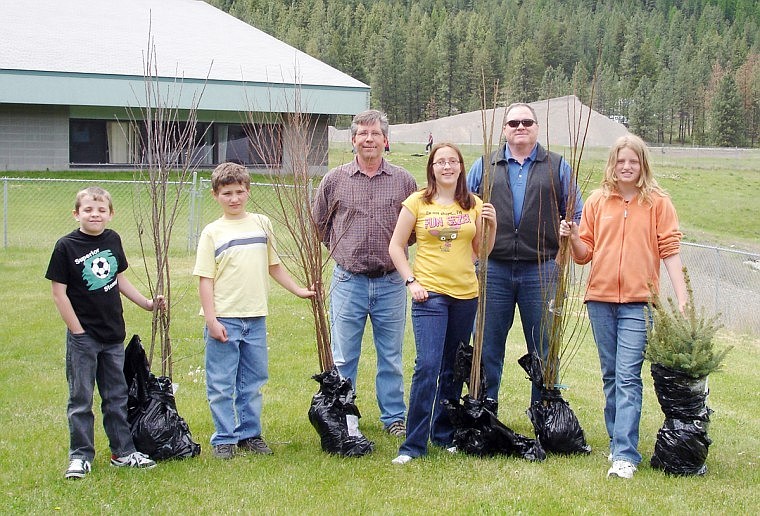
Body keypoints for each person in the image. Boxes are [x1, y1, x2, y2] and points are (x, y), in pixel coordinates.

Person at [559, 134, 687, 479]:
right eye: (621, 161)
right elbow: (584, 255)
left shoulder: (658, 202)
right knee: (611, 375)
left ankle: (625, 455)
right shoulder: (599, 201)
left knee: (629, 376)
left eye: (633, 161)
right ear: (612, 165)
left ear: (643, 165)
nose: (626, 167)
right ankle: (618, 443)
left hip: (639, 301)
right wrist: (572, 237)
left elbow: (671, 251)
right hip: (599, 300)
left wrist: (683, 297)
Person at [193, 162, 315, 460]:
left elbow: (273, 265)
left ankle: (250, 434)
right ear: (215, 195)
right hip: (225, 318)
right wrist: (211, 319)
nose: (234, 198)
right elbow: (205, 279)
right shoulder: (212, 232)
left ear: (248, 191)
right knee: (222, 382)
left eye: (239, 192)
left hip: (255, 317)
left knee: (253, 380)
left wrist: (299, 289)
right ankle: (224, 438)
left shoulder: (261, 224)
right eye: (226, 193)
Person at [466, 102, 584, 409]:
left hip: (541, 269)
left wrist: (559, 260)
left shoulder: (557, 166)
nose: (521, 127)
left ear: (537, 128)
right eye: (514, 123)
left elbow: (576, 214)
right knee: (487, 346)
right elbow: (464, 212)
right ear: (504, 129)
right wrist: (475, 259)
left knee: (544, 347)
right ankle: (484, 412)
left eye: (527, 122)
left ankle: (545, 413)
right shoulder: (485, 166)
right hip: (493, 269)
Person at [389, 143, 497, 464]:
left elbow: (482, 251)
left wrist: (491, 225)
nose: (447, 166)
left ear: (461, 167)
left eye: (452, 161)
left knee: (453, 367)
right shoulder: (417, 203)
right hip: (429, 295)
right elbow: (396, 247)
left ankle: (443, 432)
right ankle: (413, 444)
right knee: (427, 366)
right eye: (440, 162)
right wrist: (412, 282)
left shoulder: (473, 204)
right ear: (432, 168)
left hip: (465, 295)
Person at [46, 186, 163, 479]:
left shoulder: (112, 240)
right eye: (88, 210)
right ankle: (80, 456)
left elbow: (119, 278)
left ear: (110, 214)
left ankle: (122, 453)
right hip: (84, 337)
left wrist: (147, 303)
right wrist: (77, 330)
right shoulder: (66, 246)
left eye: (101, 210)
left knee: (116, 397)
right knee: (81, 399)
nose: (94, 215)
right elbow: (59, 294)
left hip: (113, 336)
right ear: (76, 214)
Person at [313, 109, 417, 438]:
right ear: (353, 140)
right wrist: (342, 252)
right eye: (362, 133)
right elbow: (319, 225)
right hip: (348, 282)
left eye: (374, 134)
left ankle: (394, 418)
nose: (368, 139)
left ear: (386, 141)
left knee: (391, 356)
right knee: (344, 356)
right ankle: (345, 416)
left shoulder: (404, 181)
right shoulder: (334, 180)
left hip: (390, 282)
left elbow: (412, 231)